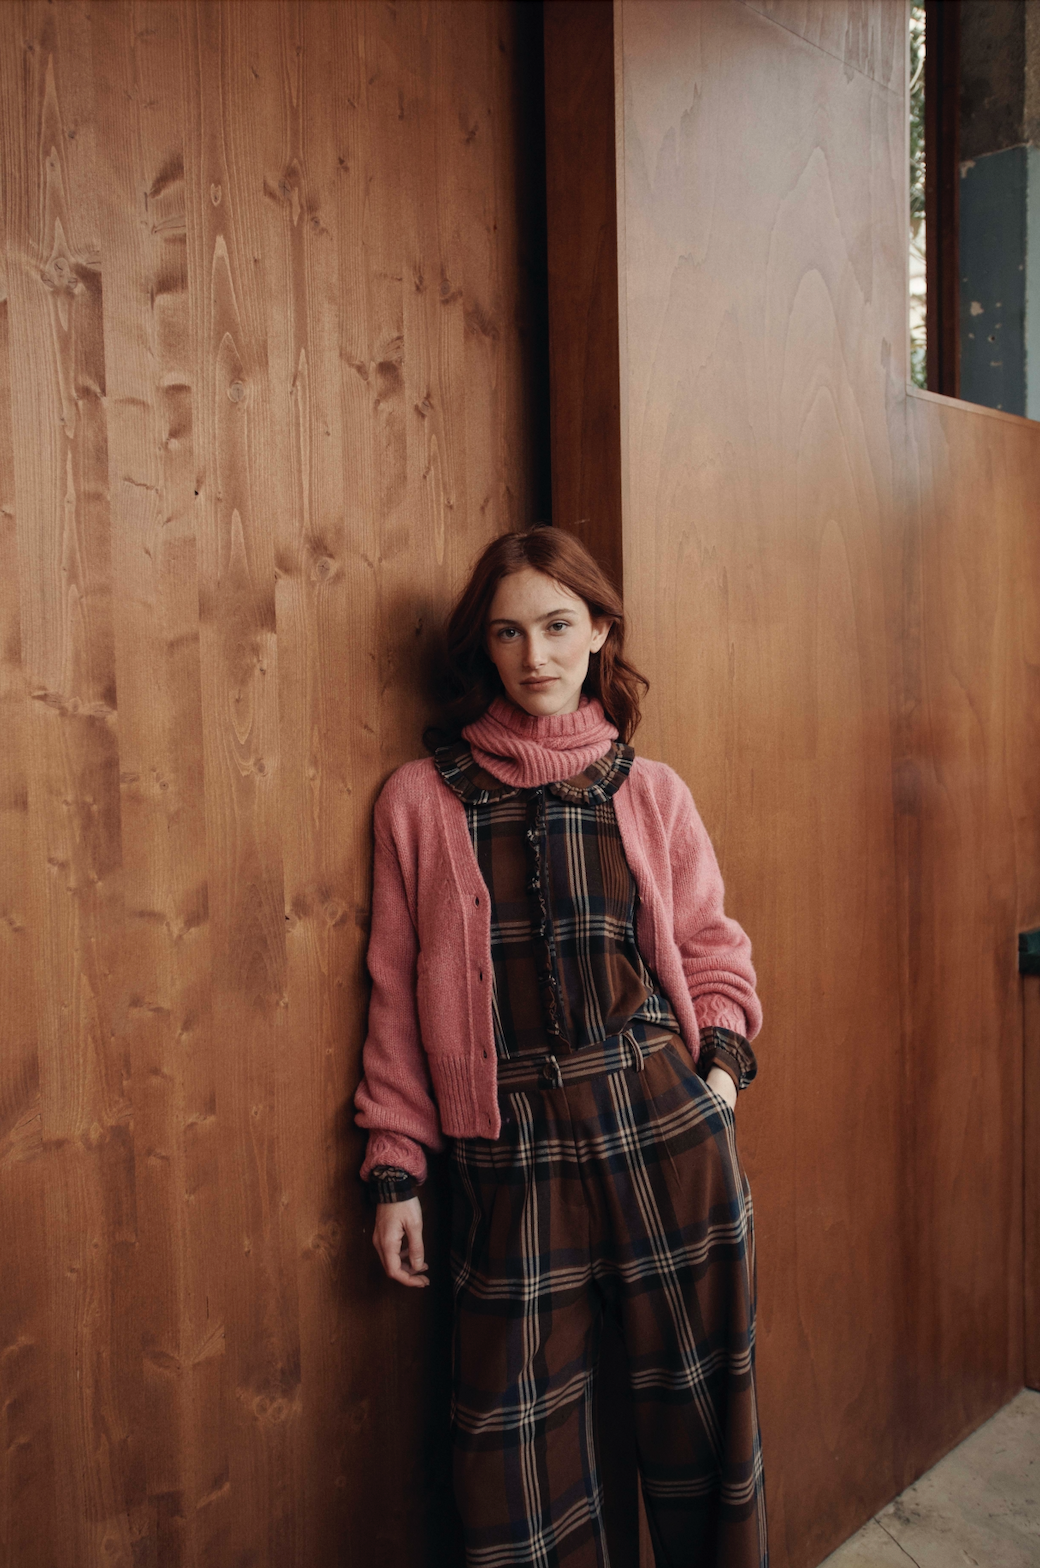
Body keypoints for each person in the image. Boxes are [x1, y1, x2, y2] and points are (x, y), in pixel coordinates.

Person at [355, 526, 767, 1568]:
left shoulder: (650, 790)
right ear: (483, 648)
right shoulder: (419, 798)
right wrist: (396, 1164)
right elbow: (396, 997)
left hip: (661, 1127)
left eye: (554, 625)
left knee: (702, 1422)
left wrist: (716, 1072)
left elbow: (713, 948)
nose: (533, 653)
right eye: (507, 631)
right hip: (510, 1149)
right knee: (510, 1450)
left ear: (597, 632)